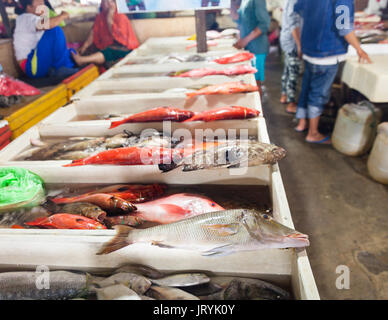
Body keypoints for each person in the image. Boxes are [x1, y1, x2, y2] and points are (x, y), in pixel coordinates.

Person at [294, 0, 371, 144]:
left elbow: (297, 9)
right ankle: (313, 133)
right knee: (318, 94)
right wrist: (359, 49)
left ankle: (301, 123)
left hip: (309, 48)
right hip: (327, 52)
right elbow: (344, 27)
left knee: (306, 88)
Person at [13, 0, 79, 79]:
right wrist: (62, 16)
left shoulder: (36, 18)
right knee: (55, 30)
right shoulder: (25, 18)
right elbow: (48, 24)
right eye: (40, 4)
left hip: (38, 61)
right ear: (29, 7)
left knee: (71, 52)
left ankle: (62, 67)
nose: (44, 6)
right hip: (31, 66)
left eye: (43, 3)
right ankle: (63, 68)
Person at [73, 0, 139, 67]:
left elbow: (118, 38)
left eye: (111, 2)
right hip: (108, 46)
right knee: (89, 51)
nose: (108, 4)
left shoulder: (120, 16)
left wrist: (109, 19)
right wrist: (85, 46)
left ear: (115, 4)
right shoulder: (100, 16)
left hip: (126, 48)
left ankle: (81, 60)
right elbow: (94, 32)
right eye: (106, 1)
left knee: (108, 52)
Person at [231, 0, 271, 100]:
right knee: (250, 81)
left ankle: (258, 111)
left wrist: (245, 40)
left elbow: (264, 24)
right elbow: (238, 19)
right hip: (248, 47)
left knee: (255, 83)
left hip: (257, 48)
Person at [279, 0, 302, 114]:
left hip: (287, 39)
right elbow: (294, 24)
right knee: (294, 72)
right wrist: (299, 45)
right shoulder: (294, 1)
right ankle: (291, 103)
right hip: (292, 41)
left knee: (288, 69)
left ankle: (284, 95)